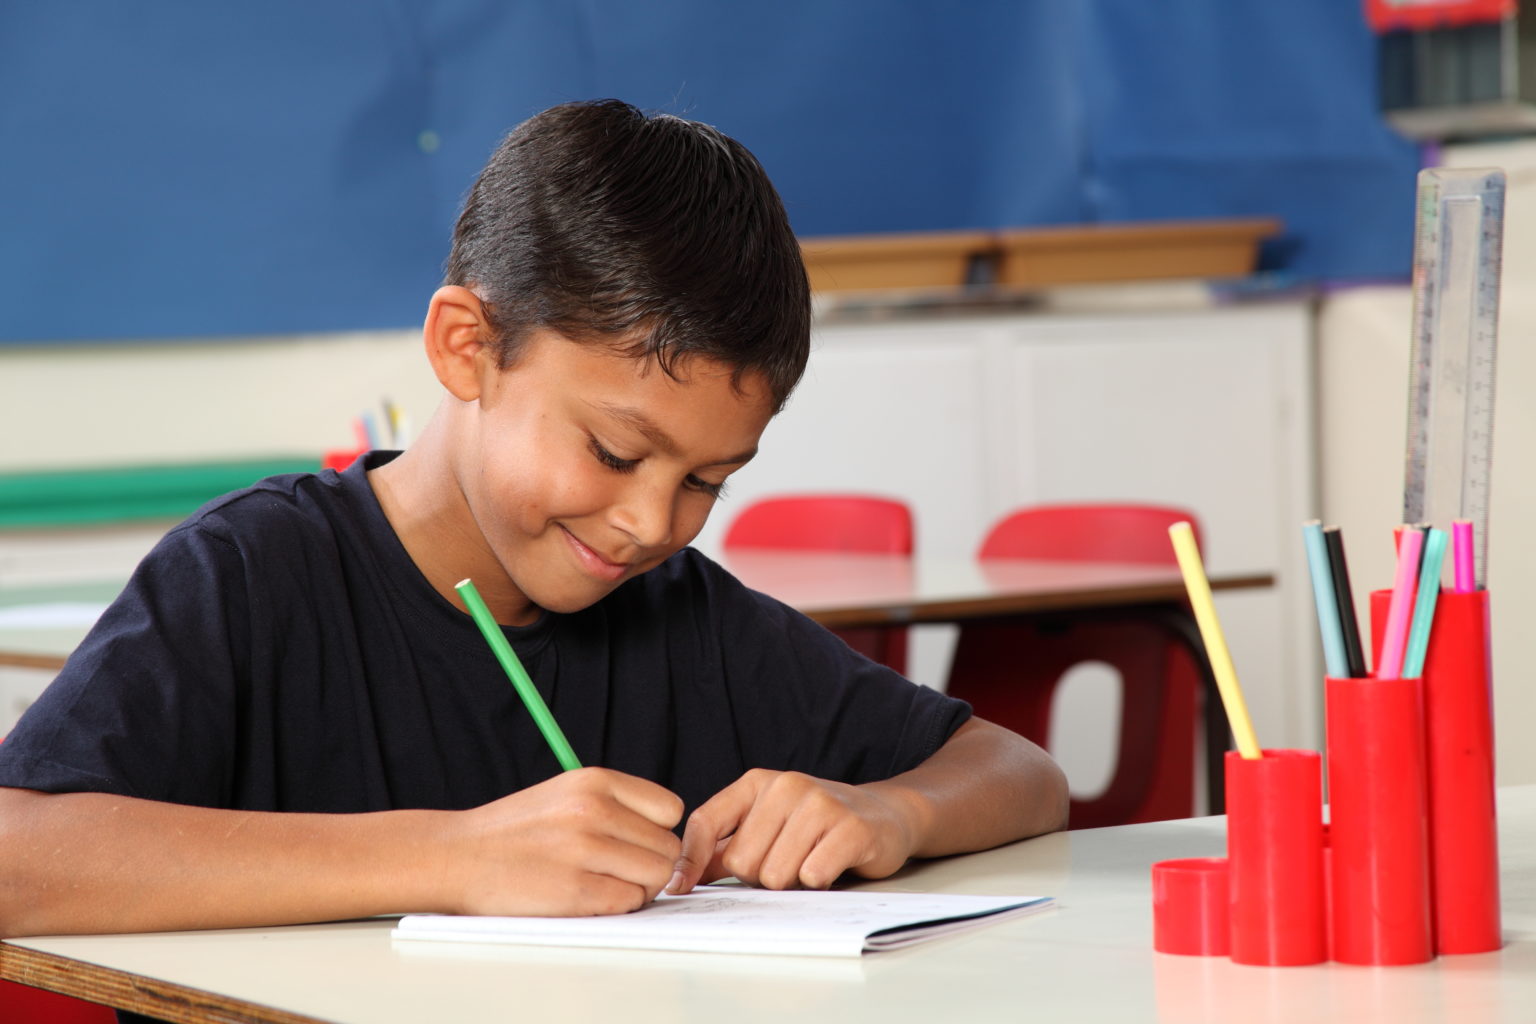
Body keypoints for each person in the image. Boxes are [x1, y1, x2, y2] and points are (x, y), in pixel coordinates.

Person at [0, 99, 1067, 941]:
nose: (653, 522)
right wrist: (458, 856)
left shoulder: (685, 619)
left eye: (708, 480)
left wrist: (893, 813)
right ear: (468, 348)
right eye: (612, 450)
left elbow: (1021, 773)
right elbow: (17, 856)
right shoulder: (250, 573)